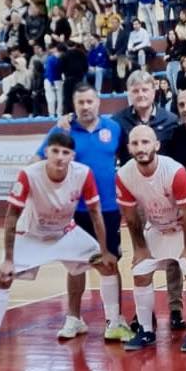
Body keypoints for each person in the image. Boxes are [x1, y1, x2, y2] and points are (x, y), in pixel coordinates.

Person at [0, 132, 117, 367]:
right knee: (3, 278)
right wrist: (8, 259)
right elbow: (11, 217)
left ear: (72, 156)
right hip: (31, 236)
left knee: (107, 265)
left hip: (66, 233)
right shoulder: (29, 174)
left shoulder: (83, 173)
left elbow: (95, 212)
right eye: (55, 151)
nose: (60, 157)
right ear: (46, 152)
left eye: (65, 152)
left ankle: (114, 324)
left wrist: (103, 249)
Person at [36, 84, 132, 341]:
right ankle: (74, 319)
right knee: (75, 265)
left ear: (98, 102)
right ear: (74, 105)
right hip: (73, 210)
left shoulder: (113, 128)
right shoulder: (62, 130)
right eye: (81, 102)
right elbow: (39, 161)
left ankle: (114, 320)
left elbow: (128, 162)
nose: (86, 106)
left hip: (108, 209)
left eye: (90, 101)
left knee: (110, 262)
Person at [115, 126, 186, 351]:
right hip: (157, 227)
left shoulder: (174, 171)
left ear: (156, 145)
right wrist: (140, 248)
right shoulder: (124, 175)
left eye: (145, 142)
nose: (140, 148)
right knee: (140, 271)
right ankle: (146, 330)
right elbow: (131, 217)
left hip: (185, 227)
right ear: (129, 148)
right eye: (135, 143)